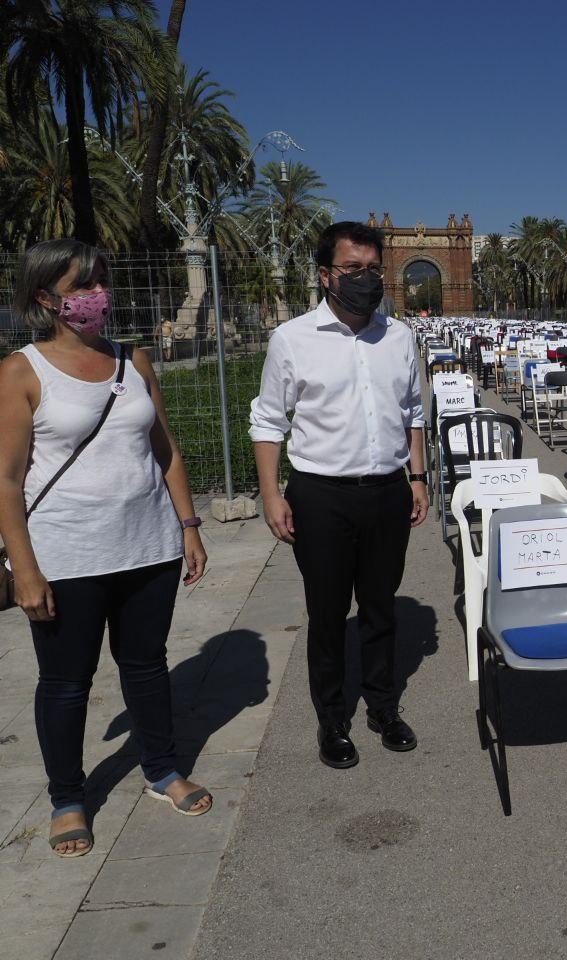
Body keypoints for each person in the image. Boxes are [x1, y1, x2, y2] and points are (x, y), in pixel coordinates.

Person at [0, 239, 211, 859]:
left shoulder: (134, 360)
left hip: (147, 547)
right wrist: (27, 570)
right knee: (66, 682)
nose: (99, 294)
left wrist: (189, 526)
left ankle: (161, 768)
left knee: (146, 666)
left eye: (101, 281)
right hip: (65, 556)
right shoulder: (20, 372)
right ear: (47, 298)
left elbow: (163, 450)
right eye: (83, 284)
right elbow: (7, 481)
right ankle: (68, 797)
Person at [249, 221, 428, 770]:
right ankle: (332, 719)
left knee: (380, 608)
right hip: (320, 496)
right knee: (327, 614)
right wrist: (271, 494)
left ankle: (382, 707)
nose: (366, 279)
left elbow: (414, 413)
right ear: (325, 275)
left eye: (374, 269)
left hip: (386, 492)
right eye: (353, 270)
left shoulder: (398, 337)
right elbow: (268, 420)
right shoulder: (293, 339)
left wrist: (417, 478)